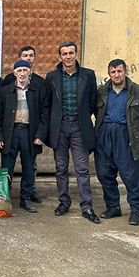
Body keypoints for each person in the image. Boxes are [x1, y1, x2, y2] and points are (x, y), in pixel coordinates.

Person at [45, 41, 100, 224]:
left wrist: (83, 119)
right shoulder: (52, 77)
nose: (68, 57)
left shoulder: (88, 75)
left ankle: (87, 205)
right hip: (60, 128)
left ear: (76, 54)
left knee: (82, 168)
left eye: (71, 53)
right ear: (59, 57)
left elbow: (92, 101)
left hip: (79, 127)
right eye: (64, 54)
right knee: (61, 168)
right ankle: (63, 201)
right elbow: (49, 103)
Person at [94, 59, 139, 226]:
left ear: (125, 72)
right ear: (109, 74)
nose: (117, 75)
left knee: (131, 175)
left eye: (119, 71)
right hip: (105, 134)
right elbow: (95, 111)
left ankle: (136, 210)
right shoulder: (102, 91)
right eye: (113, 72)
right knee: (104, 173)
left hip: (126, 136)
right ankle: (113, 206)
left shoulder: (138, 91)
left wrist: (136, 132)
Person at [0, 60, 48, 213]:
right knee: (7, 167)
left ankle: (25, 198)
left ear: (30, 72)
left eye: (25, 70)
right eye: (19, 71)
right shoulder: (6, 91)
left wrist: (40, 135)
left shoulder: (38, 90)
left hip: (29, 133)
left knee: (28, 167)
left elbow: (45, 114)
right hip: (10, 134)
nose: (22, 74)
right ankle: (5, 198)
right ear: (14, 73)